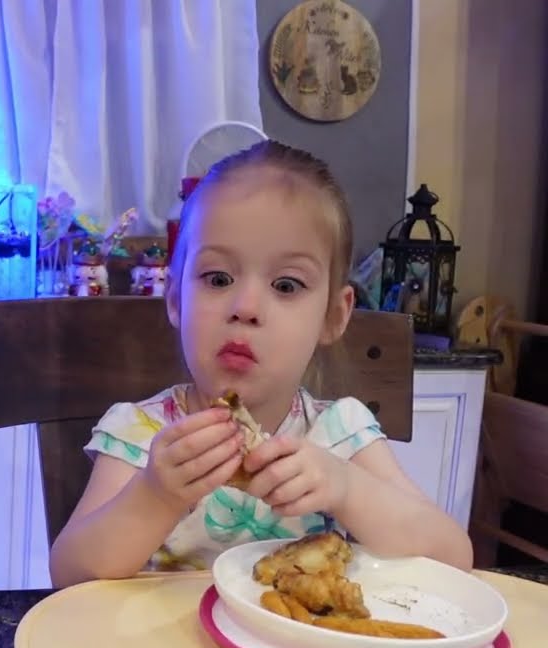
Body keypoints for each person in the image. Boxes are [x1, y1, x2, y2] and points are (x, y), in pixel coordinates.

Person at [49, 140, 474, 585]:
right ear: (175, 299)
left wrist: (348, 488)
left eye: (287, 285)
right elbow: (68, 574)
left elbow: (453, 557)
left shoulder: (340, 435)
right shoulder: (143, 435)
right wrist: (154, 496)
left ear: (333, 316)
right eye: (218, 278)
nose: (246, 306)